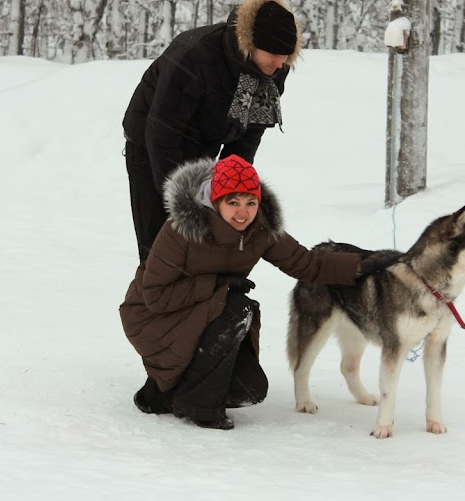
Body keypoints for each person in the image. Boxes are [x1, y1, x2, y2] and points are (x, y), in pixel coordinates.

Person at [119, 155, 398, 431]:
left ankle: (165, 393)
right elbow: (154, 296)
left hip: (206, 312)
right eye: (233, 203)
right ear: (215, 201)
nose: (242, 213)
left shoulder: (259, 229)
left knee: (249, 390)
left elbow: (307, 263)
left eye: (250, 203)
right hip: (153, 317)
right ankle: (200, 407)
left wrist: (362, 266)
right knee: (238, 308)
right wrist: (216, 283)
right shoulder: (181, 230)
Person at [122, 0, 301, 263]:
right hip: (150, 148)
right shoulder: (195, 56)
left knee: (210, 238)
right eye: (274, 54)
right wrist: (184, 205)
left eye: (286, 56)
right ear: (251, 44)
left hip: (205, 145)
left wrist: (231, 190)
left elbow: (248, 135)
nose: (279, 63)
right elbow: (162, 135)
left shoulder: (271, 71)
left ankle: (209, 299)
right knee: (163, 247)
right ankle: (149, 300)